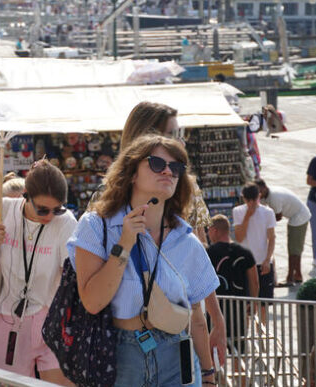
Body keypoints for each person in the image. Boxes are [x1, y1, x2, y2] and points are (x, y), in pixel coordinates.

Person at [68, 135, 218, 386]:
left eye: (177, 167)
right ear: (132, 173)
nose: (169, 171)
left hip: (177, 353)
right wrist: (124, 243)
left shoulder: (186, 240)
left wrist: (208, 374)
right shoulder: (97, 227)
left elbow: (196, 315)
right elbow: (92, 302)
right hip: (119, 354)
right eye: (158, 164)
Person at [117, 101, 226, 360]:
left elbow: (198, 261)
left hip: (181, 321)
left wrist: (217, 322)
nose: (181, 142)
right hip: (124, 329)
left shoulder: (185, 186)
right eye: (172, 135)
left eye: (181, 134)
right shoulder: (111, 197)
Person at [0, 159, 77, 383]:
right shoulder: (3, 210)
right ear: (25, 195)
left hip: (53, 321)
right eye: (42, 209)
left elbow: (72, 281)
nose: (49, 216)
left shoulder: (66, 221)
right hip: (8, 319)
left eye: (57, 209)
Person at [206, 214, 259, 364]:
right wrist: (254, 302)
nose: (208, 235)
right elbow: (254, 281)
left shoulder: (208, 253)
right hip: (238, 310)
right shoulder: (245, 252)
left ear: (215, 230)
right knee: (239, 354)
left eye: (209, 231)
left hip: (215, 310)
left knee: (213, 355)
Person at [255, 178, 311, 285]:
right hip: (294, 216)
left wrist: (264, 225)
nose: (259, 194)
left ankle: (290, 278)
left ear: (265, 187)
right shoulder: (265, 195)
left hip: (299, 216)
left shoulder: (274, 197)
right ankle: (298, 275)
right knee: (295, 248)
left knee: (293, 249)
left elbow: (278, 217)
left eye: (260, 191)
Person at [233, 183, 276, 301]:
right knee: (247, 302)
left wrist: (267, 260)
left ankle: (262, 320)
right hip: (245, 263)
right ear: (244, 199)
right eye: (249, 200)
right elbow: (239, 237)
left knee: (264, 302)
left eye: (255, 199)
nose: (252, 203)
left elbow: (271, 238)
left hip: (263, 262)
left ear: (259, 196)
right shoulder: (238, 211)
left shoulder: (268, 212)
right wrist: (247, 216)